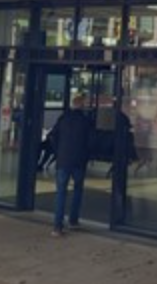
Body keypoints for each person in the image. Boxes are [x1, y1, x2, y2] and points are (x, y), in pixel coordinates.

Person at [50, 94, 94, 236]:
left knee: (61, 192)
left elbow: (53, 136)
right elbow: (91, 141)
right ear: (82, 105)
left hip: (63, 159)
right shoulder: (86, 121)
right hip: (79, 160)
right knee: (77, 190)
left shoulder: (63, 119)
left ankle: (57, 226)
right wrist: (87, 155)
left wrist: (58, 151)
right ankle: (73, 220)